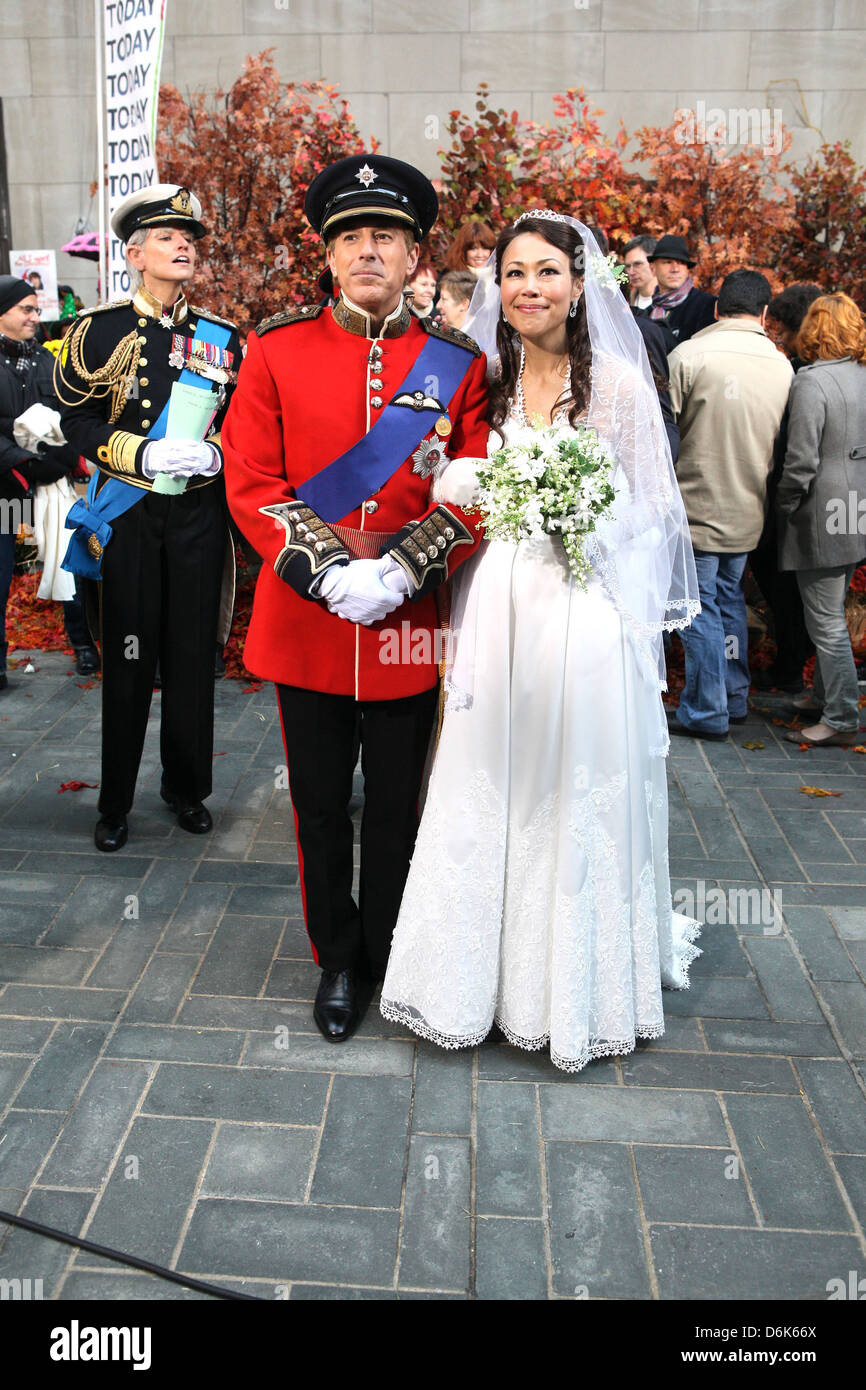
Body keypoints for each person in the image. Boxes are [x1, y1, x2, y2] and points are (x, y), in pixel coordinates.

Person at [380, 213, 701, 1073]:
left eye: (547, 272)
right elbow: (438, 475)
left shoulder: (622, 390)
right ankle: (466, 981)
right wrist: (452, 477)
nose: (528, 287)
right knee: (488, 777)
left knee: (567, 784)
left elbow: (652, 515)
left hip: (581, 610)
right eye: (514, 272)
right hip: (496, 602)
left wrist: (576, 510)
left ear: (579, 283)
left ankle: (567, 991)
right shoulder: (485, 377)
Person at [222, 155, 490, 1044]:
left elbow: (478, 484)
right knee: (321, 802)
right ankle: (338, 954)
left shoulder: (459, 365)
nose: (367, 251)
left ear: (416, 255)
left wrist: (405, 568)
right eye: (350, 238)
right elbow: (253, 477)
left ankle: (391, 945)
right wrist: (330, 569)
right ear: (328, 256)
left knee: (400, 804)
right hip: (308, 617)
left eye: (385, 236)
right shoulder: (276, 349)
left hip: (408, 624)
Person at [54, 184, 241, 850]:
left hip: (195, 513)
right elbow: (73, 420)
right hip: (131, 517)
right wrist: (140, 448)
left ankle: (186, 788)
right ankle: (114, 802)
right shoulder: (97, 330)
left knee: (192, 658)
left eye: (189, 238)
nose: (183, 246)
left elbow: (244, 421)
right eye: (166, 238)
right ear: (134, 254)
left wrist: (216, 454)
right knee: (129, 660)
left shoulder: (221, 335)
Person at [667, 270, 793, 740]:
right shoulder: (782, 366)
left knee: (697, 610)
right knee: (729, 600)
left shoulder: (688, 355)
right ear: (764, 314)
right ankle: (735, 694)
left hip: (695, 506)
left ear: (717, 309)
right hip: (747, 509)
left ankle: (707, 710)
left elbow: (666, 432)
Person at [777, 293, 866, 748]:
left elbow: (800, 461)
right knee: (829, 608)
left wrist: (784, 506)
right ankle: (822, 697)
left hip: (819, 510)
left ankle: (842, 716)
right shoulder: (862, 374)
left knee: (826, 621)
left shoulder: (811, 383)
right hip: (856, 506)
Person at [0, 276, 83, 693]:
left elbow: (66, 416)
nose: (36, 317)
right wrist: (25, 462)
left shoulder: (46, 361)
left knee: (69, 556)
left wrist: (61, 461)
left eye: (36, 309)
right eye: (26, 310)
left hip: (52, 487)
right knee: (1, 569)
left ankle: (84, 645)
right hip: (7, 492)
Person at [750, 282, 824, 694]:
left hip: (794, 495)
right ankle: (794, 662)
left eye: (780, 327)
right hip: (823, 499)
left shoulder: (805, 376)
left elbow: (799, 450)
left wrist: (783, 499)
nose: (775, 335)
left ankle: (792, 665)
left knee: (786, 586)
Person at [648, 235, 716, 349]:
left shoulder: (706, 305)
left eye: (681, 263)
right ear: (652, 268)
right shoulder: (648, 312)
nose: (675, 269)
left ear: (687, 269)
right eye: (667, 262)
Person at [623, 234, 658, 312]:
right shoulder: (626, 304)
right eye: (628, 266)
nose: (631, 272)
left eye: (637, 264)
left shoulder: (671, 302)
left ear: (653, 263)